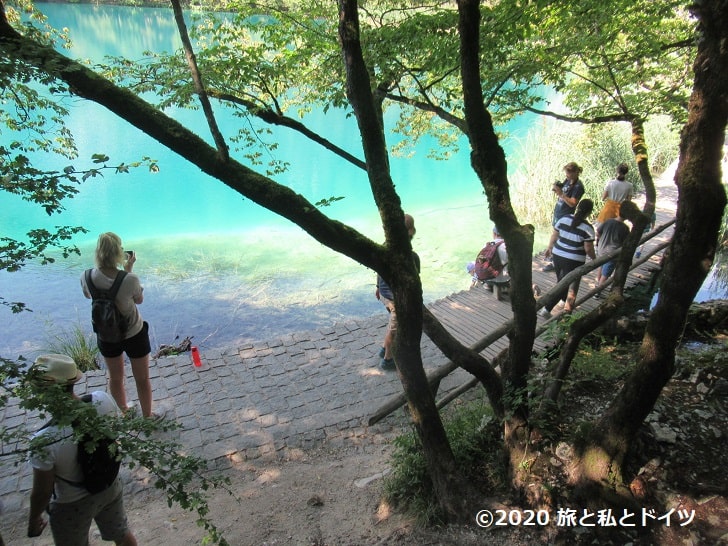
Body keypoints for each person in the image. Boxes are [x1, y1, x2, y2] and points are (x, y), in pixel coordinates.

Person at [27, 354, 137, 546]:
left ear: (44, 392)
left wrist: (34, 518)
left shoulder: (43, 440)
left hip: (71, 504)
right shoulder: (102, 400)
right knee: (121, 533)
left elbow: (42, 491)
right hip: (109, 486)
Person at [80, 232, 161, 419]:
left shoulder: (86, 276)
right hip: (134, 333)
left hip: (106, 335)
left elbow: (88, 296)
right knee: (141, 379)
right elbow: (139, 300)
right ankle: (147, 416)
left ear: (98, 252)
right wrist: (128, 270)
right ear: (119, 252)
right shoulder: (129, 279)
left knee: (115, 378)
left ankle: (124, 411)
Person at [375, 214, 420, 371]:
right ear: (411, 231)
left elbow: (379, 269)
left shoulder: (385, 247)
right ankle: (388, 360)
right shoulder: (410, 256)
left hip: (384, 295)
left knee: (392, 324)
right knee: (394, 330)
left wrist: (377, 287)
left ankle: (382, 350)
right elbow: (413, 282)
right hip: (395, 299)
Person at [540, 199, 596, 317]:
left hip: (558, 255)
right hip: (574, 260)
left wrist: (549, 248)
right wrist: (595, 259)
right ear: (589, 212)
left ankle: (562, 301)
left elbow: (554, 235)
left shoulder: (564, 219)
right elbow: (588, 249)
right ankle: (546, 309)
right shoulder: (588, 228)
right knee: (564, 284)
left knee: (562, 281)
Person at [543, 162, 585, 272]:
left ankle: (554, 261)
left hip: (566, 215)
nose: (566, 177)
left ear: (575, 173)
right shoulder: (568, 180)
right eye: (566, 174)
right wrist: (557, 188)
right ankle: (554, 259)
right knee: (555, 235)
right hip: (558, 212)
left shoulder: (578, 187)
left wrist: (561, 193)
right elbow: (564, 191)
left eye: (568, 174)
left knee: (557, 236)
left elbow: (573, 203)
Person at [595, 201, 639, 296]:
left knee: (601, 266)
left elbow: (598, 232)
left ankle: (597, 284)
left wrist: (601, 239)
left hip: (601, 249)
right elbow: (626, 242)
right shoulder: (624, 228)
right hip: (612, 254)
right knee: (606, 274)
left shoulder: (608, 221)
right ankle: (598, 290)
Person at [596, 163, 633, 228]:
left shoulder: (611, 183)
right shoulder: (629, 185)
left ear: (617, 171)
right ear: (626, 172)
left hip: (608, 209)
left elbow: (603, 197)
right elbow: (628, 201)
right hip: (619, 211)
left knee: (602, 228)